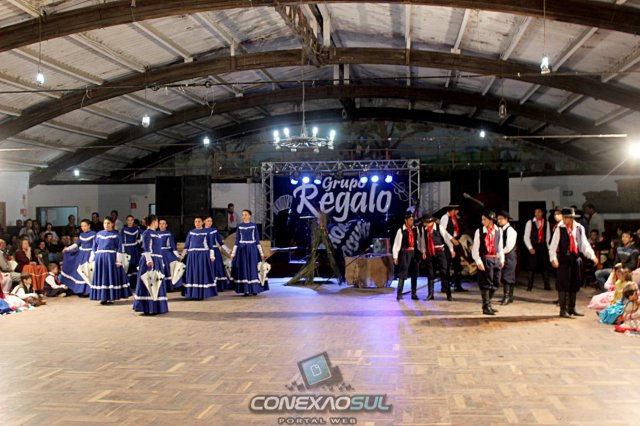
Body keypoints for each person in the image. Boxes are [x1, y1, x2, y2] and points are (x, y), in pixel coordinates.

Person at [549, 207, 598, 318]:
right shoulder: (559, 228)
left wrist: (592, 256)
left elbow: (584, 244)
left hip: (576, 258)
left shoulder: (579, 228)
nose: (565, 220)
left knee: (574, 283)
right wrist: (553, 258)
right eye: (564, 217)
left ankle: (572, 308)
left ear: (572, 218)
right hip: (564, 258)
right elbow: (553, 246)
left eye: (567, 218)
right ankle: (563, 309)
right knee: (563, 284)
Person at [90, 218, 131, 305]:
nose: (106, 225)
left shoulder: (116, 235)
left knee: (110, 276)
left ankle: (111, 297)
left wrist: (118, 260)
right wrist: (92, 256)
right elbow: (94, 246)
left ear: (112, 224)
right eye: (105, 223)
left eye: (108, 223)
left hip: (110, 258)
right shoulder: (99, 234)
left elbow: (119, 248)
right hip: (100, 258)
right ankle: (103, 297)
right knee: (102, 276)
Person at [133, 215, 168, 315]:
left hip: (157, 259)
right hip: (150, 260)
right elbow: (147, 248)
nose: (158, 223)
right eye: (157, 221)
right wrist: (149, 260)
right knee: (149, 282)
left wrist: (161, 261)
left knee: (156, 282)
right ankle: (148, 307)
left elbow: (158, 249)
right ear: (153, 222)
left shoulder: (156, 233)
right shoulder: (147, 233)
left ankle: (156, 307)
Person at [472, 211, 504, 315]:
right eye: (482, 219)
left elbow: (500, 247)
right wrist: (478, 261)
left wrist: (502, 259)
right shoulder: (479, 231)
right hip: (485, 259)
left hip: (495, 259)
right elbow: (475, 249)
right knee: (486, 283)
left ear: (491, 220)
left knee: (496, 282)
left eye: (484, 219)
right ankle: (486, 306)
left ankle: (488, 303)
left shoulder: (498, 230)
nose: (482, 221)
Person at [231, 209, 268, 296]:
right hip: (242, 250)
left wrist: (261, 253)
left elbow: (257, 240)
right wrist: (233, 253)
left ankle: (254, 289)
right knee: (244, 268)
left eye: (245, 214)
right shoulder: (239, 226)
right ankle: (246, 289)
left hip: (252, 249)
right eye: (243, 215)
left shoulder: (253, 226)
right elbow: (237, 240)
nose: (244, 216)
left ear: (249, 216)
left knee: (253, 268)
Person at [418, 213, 453, 301]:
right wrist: (423, 251)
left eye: (426, 223)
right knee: (430, 274)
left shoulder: (438, 227)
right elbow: (423, 241)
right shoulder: (424, 229)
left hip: (440, 252)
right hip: (430, 253)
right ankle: (430, 294)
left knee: (444, 273)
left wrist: (451, 249)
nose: (425, 224)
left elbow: (446, 239)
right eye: (425, 223)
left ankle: (448, 294)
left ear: (431, 222)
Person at [183, 216, 218, 300]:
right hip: (192, 255)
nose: (197, 223)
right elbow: (187, 245)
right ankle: (192, 293)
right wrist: (182, 256)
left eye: (199, 221)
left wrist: (212, 255)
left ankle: (201, 294)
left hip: (203, 255)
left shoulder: (206, 232)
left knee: (201, 273)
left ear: (202, 222)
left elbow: (210, 245)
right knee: (193, 273)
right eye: (195, 221)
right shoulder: (191, 232)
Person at [60, 219, 95, 296]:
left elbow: (95, 245)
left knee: (87, 271)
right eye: (82, 226)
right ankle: (80, 290)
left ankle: (88, 290)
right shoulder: (81, 234)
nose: (83, 228)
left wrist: (92, 255)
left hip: (89, 254)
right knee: (80, 271)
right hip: (81, 255)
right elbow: (77, 244)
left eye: (85, 226)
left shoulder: (93, 234)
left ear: (89, 225)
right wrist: (68, 249)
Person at [392, 212, 419, 301]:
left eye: (412, 220)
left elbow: (419, 241)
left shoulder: (415, 229)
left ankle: (414, 294)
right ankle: (399, 294)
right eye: (410, 220)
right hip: (405, 253)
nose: (412, 221)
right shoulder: (401, 230)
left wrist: (422, 251)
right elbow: (396, 244)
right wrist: (395, 256)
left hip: (413, 253)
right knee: (402, 274)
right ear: (406, 220)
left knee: (414, 274)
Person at [440, 204, 467, 292]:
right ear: (452, 210)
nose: (457, 212)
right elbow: (443, 231)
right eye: (456, 210)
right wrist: (451, 238)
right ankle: (445, 286)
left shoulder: (454, 218)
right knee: (446, 265)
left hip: (455, 241)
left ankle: (457, 285)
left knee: (457, 264)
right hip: (448, 243)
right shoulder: (445, 217)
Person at [523, 208, 551, 291]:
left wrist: (549, 248)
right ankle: (529, 286)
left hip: (543, 246)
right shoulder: (530, 222)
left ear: (542, 213)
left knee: (545, 266)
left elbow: (548, 236)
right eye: (535, 212)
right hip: (534, 245)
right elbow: (526, 236)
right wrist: (530, 247)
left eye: (539, 212)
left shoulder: (546, 223)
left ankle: (547, 285)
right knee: (531, 266)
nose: (537, 213)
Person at [205, 216, 232, 291]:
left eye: (211, 221)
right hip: (206, 251)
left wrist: (228, 251)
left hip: (215, 251)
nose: (210, 222)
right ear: (204, 222)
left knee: (218, 267)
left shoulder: (214, 230)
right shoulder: (202, 231)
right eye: (208, 221)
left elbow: (220, 242)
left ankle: (219, 286)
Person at [497, 211, 518, 305]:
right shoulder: (501, 230)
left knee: (508, 276)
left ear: (506, 219)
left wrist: (499, 254)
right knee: (506, 275)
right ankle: (509, 297)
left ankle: (507, 296)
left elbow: (509, 246)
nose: (499, 221)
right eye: (498, 219)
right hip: (504, 255)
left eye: (501, 219)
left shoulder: (510, 231)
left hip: (509, 256)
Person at [158, 219, 183, 291]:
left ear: (166, 225)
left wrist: (177, 256)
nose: (161, 225)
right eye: (160, 223)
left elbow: (173, 246)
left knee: (173, 265)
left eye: (163, 223)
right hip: (158, 253)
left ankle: (173, 285)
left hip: (167, 253)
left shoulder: (169, 233)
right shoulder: (155, 233)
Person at [120, 215, 141, 289]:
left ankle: (134, 284)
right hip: (127, 249)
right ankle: (127, 284)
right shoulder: (124, 229)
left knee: (135, 265)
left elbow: (143, 235)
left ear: (133, 221)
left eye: (131, 220)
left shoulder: (136, 229)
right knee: (127, 265)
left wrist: (139, 241)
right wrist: (122, 251)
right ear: (126, 221)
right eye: (128, 220)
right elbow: (121, 241)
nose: (130, 222)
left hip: (134, 249)